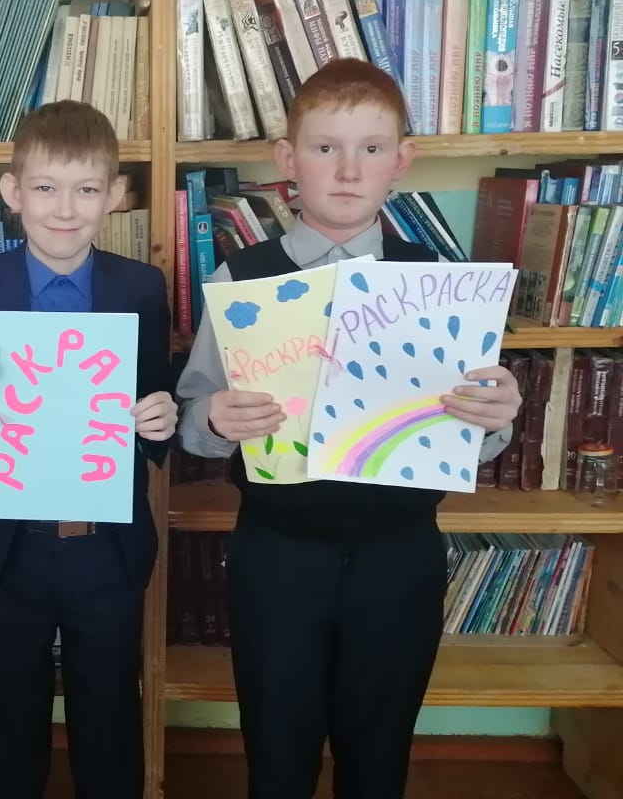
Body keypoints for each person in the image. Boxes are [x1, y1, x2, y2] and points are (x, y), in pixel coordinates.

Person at [176, 58, 524, 798]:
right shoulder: (244, 278)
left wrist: (496, 418)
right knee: (277, 752)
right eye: (325, 147)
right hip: (278, 553)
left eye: (370, 148)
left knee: (379, 755)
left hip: (399, 555)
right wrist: (211, 417)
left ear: (401, 160)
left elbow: (475, 421)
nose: (347, 169)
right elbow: (194, 413)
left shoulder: (440, 280)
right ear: (287, 161)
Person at [0, 99, 177, 799]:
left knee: (110, 719)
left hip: (103, 544)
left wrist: (162, 418)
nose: (65, 210)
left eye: (86, 189)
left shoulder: (140, 287)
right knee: (6, 725)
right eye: (45, 188)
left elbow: (156, 404)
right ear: (13, 193)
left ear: (115, 195)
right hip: (7, 550)